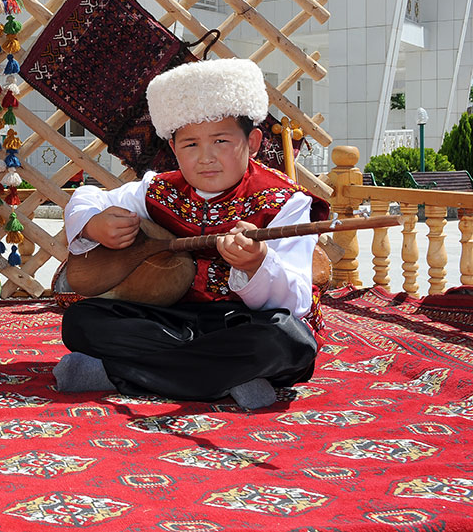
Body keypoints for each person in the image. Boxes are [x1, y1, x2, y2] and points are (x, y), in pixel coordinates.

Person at [54, 58, 328, 410]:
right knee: (82, 321)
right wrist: (94, 224)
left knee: (290, 343)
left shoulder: (285, 200)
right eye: (190, 144)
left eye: (221, 141)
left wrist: (260, 264)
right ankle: (227, 378)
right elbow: (85, 199)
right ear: (172, 148)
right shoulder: (158, 188)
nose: (206, 158)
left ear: (254, 141)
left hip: (243, 324)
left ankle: (114, 373)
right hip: (174, 322)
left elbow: (296, 301)